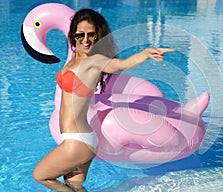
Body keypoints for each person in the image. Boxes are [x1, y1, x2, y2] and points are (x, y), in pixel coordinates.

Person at [32, 8, 175, 192]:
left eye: (91, 35)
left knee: (41, 176)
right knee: (74, 184)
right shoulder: (75, 59)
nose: (85, 39)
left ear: (97, 36)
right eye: (80, 34)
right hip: (83, 139)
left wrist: (146, 53)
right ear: (73, 34)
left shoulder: (94, 60)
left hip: (78, 141)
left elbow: (120, 64)